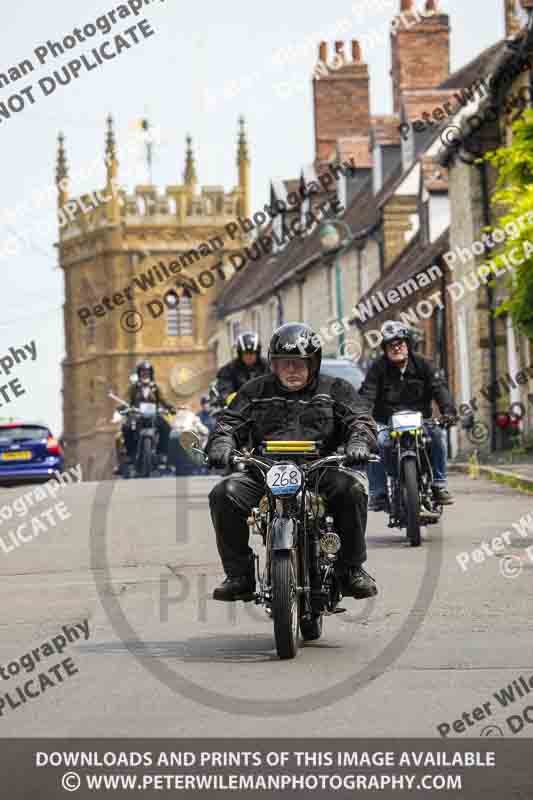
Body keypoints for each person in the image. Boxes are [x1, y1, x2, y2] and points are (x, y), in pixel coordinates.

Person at [206, 322, 378, 602]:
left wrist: (358, 442)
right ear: (273, 364)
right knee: (223, 494)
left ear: (313, 363)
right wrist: (223, 443)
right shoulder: (254, 390)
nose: (292, 370)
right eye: (284, 363)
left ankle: (351, 570)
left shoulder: (335, 389)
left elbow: (360, 419)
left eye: (299, 363)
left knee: (353, 490)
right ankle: (239, 575)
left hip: (319, 469)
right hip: (264, 470)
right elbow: (229, 422)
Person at [358, 321, 457, 510]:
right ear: (385, 348)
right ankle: (378, 493)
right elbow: (367, 394)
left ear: (408, 345)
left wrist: (449, 412)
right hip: (387, 421)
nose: (396, 348)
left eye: (400, 344)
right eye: (390, 345)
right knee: (375, 442)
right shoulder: (377, 368)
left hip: (422, 420)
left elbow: (439, 389)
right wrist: (362, 419)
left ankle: (439, 484)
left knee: (438, 435)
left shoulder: (424, 364)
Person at [122, 361, 175, 467]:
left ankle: (162, 454)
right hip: (137, 415)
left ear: (151, 374)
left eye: (147, 372)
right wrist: (125, 407)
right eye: (142, 372)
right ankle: (130, 454)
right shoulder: (133, 388)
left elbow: (163, 400)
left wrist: (171, 407)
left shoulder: (155, 387)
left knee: (166, 427)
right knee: (126, 427)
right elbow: (127, 399)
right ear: (139, 373)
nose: (145, 374)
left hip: (153, 414)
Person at [215, 331, 268, 403]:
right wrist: (227, 397)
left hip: (267, 408)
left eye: (252, 353)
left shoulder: (268, 367)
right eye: (245, 353)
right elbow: (225, 388)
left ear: (258, 353)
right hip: (240, 409)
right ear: (240, 353)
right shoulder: (229, 369)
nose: (249, 356)